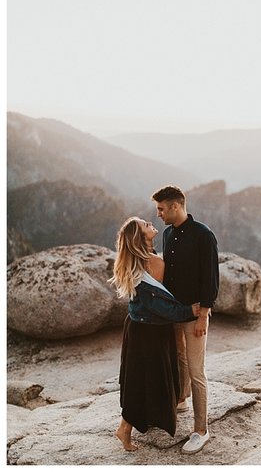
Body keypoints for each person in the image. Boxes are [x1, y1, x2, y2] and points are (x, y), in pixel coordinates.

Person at [109, 217, 198, 451]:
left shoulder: (135, 261)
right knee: (145, 381)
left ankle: (129, 426)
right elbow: (160, 306)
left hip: (136, 329)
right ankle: (124, 429)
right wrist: (189, 310)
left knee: (137, 379)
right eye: (144, 225)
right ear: (141, 237)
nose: (150, 222)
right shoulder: (153, 263)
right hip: (151, 332)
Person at [152, 185, 219, 455]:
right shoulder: (168, 235)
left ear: (175, 206)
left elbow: (211, 279)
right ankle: (181, 399)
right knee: (178, 359)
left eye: (161, 209)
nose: (158, 214)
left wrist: (203, 314)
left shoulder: (204, 236)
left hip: (194, 314)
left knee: (196, 370)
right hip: (173, 311)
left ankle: (201, 430)